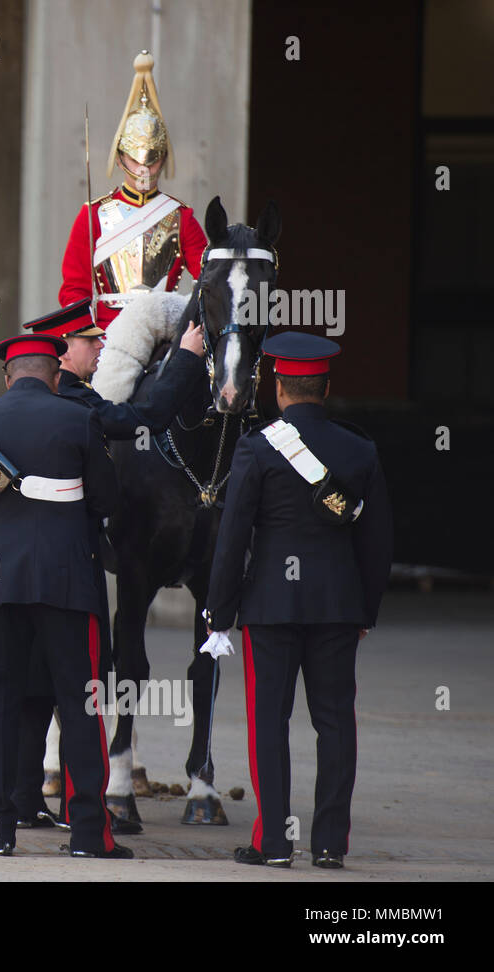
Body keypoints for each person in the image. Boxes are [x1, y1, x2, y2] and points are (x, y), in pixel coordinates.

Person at [10, 299, 205, 829]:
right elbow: (143, 423)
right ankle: (95, 812)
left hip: (7, 575)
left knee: (23, 688)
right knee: (85, 687)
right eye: (91, 340)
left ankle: (16, 802)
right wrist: (187, 358)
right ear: (62, 352)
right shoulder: (83, 410)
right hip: (71, 570)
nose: (103, 346)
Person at [204, 333, 392, 869]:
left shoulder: (258, 446)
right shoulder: (360, 449)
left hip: (270, 606)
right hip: (337, 607)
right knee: (335, 722)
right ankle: (330, 843)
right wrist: (366, 612)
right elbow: (377, 543)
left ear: (279, 391)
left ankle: (274, 844)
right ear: (325, 389)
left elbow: (233, 537)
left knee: (271, 721)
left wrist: (220, 610)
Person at [0, 331, 130, 859]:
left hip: (0, 578)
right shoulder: (80, 418)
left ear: (7, 378)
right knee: (81, 705)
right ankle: (88, 836)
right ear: (56, 376)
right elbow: (106, 498)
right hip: (68, 581)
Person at [59, 51, 207, 329]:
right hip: (106, 336)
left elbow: (209, 282)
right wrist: (87, 335)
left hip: (164, 331)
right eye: (135, 160)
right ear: (119, 159)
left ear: (163, 159)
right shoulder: (92, 215)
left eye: (152, 161)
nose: (144, 169)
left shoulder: (182, 218)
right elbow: (74, 289)